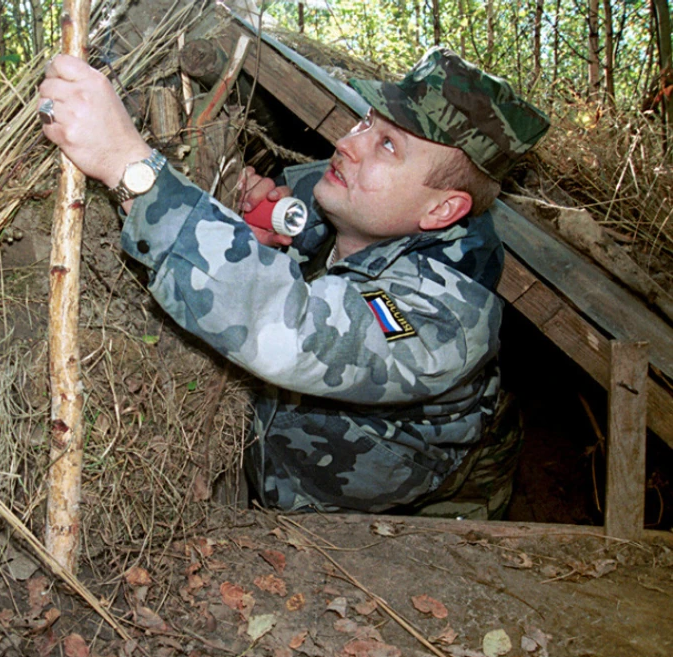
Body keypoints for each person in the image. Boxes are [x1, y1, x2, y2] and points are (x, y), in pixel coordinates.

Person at [38, 46, 550, 519]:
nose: (349, 145)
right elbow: (287, 207)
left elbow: (294, 328)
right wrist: (256, 210)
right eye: (366, 121)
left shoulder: (441, 319)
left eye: (389, 145)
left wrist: (131, 167)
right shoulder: (359, 198)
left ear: (442, 209)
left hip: (421, 507)